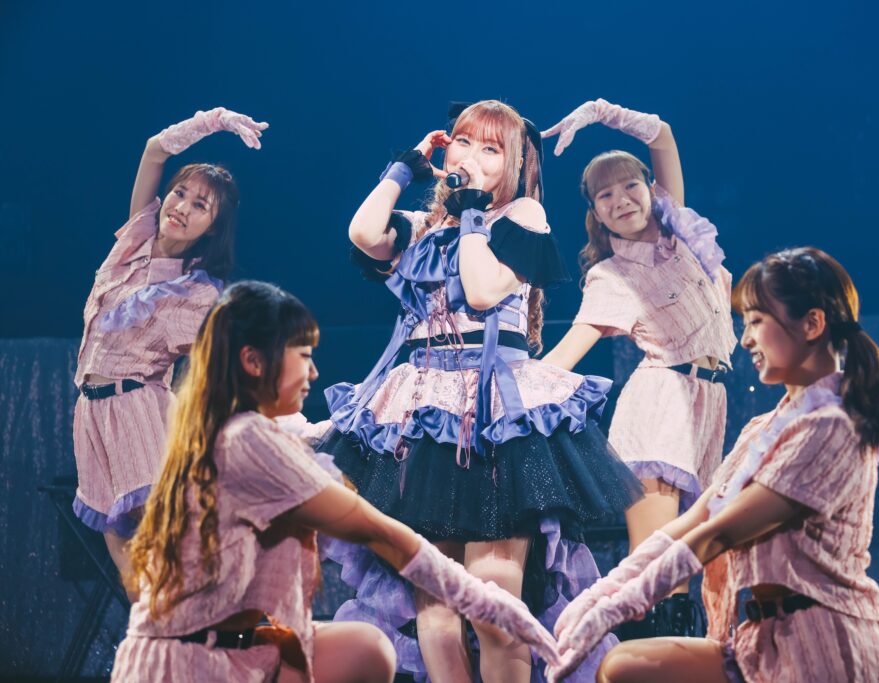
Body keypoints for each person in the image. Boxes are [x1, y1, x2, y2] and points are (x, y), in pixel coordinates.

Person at [316, 100, 643, 682]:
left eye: (490, 148)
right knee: (434, 608)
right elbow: (363, 234)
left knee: (495, 606)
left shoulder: (522, 215)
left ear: (512, 164)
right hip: (425, 411)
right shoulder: (427, 226)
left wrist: (470, 211)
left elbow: (484, 290)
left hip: (494, 414)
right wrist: (405, 168)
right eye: (463, 142)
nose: (470, 155)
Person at [112, 281, 561, 682]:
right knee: (366, 649)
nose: (314, 374)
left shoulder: (229, 429)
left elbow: (318, 446)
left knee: (364, 650)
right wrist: (492, 605)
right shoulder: (246, 441)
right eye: (304, 357)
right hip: (191, 664)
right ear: (253, 362)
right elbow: (379, 533)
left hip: (237, 644)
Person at [548, 247, 879, 683]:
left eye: (757, 321)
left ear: (812, 324)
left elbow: (719, 533)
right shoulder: (764, 428)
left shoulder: (833, 428)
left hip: (828, 647)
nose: (745, 340)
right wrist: (597, 597)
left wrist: (613, 610)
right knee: (622, 667)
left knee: (624, 667)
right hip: (761, 642)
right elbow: (696, 518)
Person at [543, 99, 736, 637]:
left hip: (707, 404)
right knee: (655, 564)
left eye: (629, 185)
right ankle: (639, 661)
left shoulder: (684, 237)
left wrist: (599, 112)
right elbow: (568, 352)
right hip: (659, 405)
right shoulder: (611, 275)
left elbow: (663, 135)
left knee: (688, 564)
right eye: (605, 195)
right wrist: (510, 387)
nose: (621, 199)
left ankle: (680, 657)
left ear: (651, 189)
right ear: (595, 213)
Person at [72, 107, 266, 584]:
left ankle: (215, 623)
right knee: (124, 553)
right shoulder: (135, 239)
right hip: (90, 413)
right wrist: (214, 121)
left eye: (200, 206)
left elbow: (223, 363)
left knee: (165, 549)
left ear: (212, 227)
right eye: (180, 193)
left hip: (138, 409)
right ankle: (160, 630)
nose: (181, 207)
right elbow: (154, 150)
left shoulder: (197, 291)